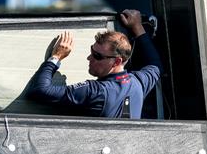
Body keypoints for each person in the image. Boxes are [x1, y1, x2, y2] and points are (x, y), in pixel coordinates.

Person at [27, 9, 161, 119]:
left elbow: (39, 91)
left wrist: (56, 57)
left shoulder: (95, 92)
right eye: (92, 51)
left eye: (97, 56)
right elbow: (155, 65)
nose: (89, 58)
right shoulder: (139, 82)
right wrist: (137, 27)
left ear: (117, 61)